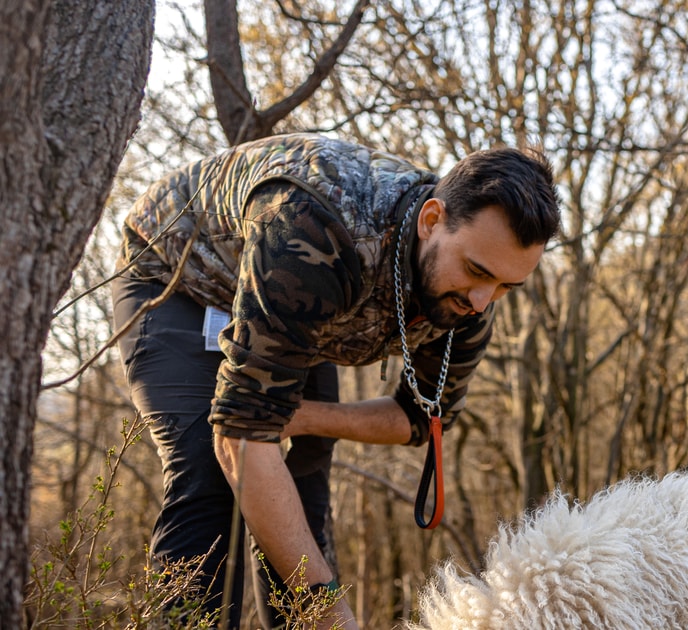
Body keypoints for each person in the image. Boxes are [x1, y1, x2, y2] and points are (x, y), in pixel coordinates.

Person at [110, 132, 561, 629]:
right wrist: (335, 615)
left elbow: (420, 420)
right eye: (475, 271)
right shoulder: (314, 229)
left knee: (300, 495)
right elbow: (241, 439)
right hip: (179, 279)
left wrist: (302, 418)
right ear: (432, 221)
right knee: (207, 466)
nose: (481, 301)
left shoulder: (473, 296)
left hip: (299, 311)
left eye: (504, 286)